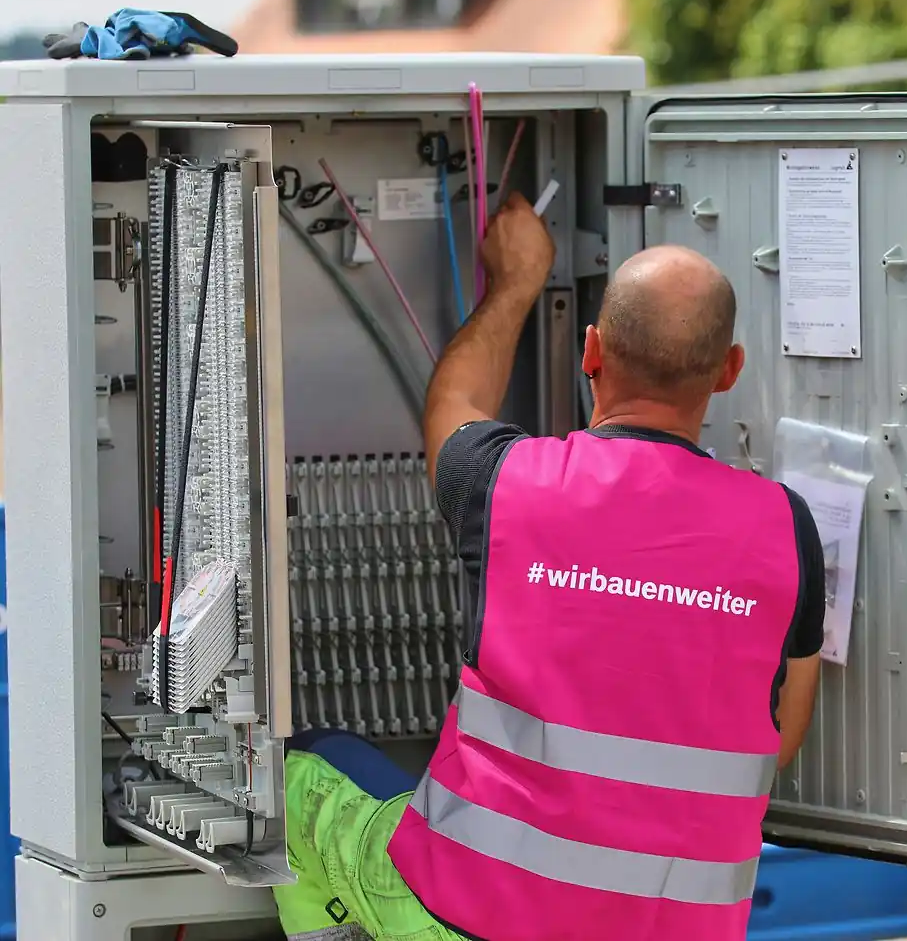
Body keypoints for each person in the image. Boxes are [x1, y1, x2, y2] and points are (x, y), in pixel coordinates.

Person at [273, 194, 826, 941]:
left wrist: (517, 279)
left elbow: (455, 399)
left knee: (298, 772)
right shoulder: (787, 529)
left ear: (591, 351)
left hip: (466, 918)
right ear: (729, 371)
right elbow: (779, 739)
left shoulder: (508, 482)